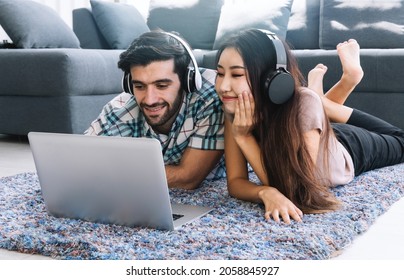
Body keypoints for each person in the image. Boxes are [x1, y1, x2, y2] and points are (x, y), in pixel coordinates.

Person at [214, 29, 404, 224]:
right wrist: (265, 192)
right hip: (313, 132)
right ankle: (320, 99)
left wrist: (244, 137)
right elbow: (235, 182)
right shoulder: (234, 108)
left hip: (348, 148)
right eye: (220, 73)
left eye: (236, 75)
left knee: (400, 139)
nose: (223, 86)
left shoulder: (302, 104)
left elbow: (296, 190)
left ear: (270, 78)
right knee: (311, 104)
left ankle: (343, 83)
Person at [85, 31, 225, 190]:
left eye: (161, 86)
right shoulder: (119, 110)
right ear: (129, 85)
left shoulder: (212, 96)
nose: (150, 100)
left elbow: (188, 178)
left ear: (187, 81)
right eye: (140, 86)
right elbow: (83, 167)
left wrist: (114, 174)